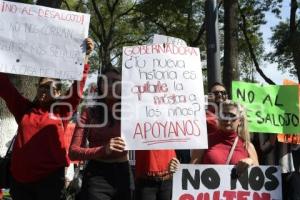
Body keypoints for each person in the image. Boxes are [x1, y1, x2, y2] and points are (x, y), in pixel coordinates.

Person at [0, 38, 94, 200]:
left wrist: (84, 58)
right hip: (20, 181)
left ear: (58, 92)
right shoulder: (24, 109)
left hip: (50, 181)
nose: (44, 90)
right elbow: (5, 87)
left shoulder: (62, 111)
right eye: (41, 86)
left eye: (49, 87)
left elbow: (77, 89)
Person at [69, 67, 134, 200]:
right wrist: (103, 150)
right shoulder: (89, 113)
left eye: (116, 81)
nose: (111, 85)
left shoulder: (133, 112)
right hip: (97, 177)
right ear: (100, 85)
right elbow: (73, 151)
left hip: (125, 174)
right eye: (106, 81)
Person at [191, 100, 259, 176]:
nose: (227, 120)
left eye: (232, 116)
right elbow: (190, 171)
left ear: (240, 120)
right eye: (223, 115)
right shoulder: (204, 142)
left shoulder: (248, 146)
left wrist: (251, 162)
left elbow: (258, 179)